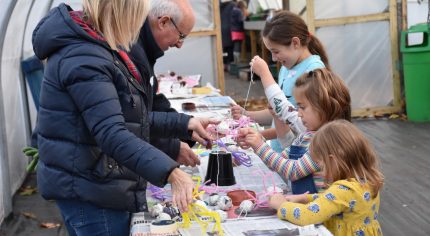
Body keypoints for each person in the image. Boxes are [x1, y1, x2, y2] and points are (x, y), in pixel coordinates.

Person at [32, 1, 217, 235]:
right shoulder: (84, 56)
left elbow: (128, 116)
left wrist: (183, 123)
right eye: (139, 17)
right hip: (92, 191)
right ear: (124, 15)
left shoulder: (100, 47)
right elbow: (112, 132)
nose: (140, 26)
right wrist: (171, 172)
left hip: (96, 183)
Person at [238, 69, 351, 194]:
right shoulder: (305, 136)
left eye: (303, 107)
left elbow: (293, 171)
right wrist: (255, 143)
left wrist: (260, 146)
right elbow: (277, 163)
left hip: (319, 209)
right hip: (303, 206)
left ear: (326, 106)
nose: (298, 113)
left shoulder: (327, 142)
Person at [231, 10, 330, 152]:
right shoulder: (287, 67)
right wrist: (247, 115)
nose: (273, 58)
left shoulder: (313, 71)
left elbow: (298, 123)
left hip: (299, 157)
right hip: (281, 153)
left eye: (276, 51)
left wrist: (265, 74)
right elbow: (278, 112)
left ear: (295, 42)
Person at [268, 120, 384, 236]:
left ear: (333, 160)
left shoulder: (343, 189)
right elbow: (335, 200)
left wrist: (281, 205)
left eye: (322, 165)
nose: (322, 172)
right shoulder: (366, 182)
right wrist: (306, 198)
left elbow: (307, 215)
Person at [129, 0, 200, 167]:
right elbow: (132, 119)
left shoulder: (144, 48)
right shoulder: (132, 50)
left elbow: (152, 99)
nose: (179, 44)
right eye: (181, 35)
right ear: (163, 22)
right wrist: (172, 147)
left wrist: (187, 127)